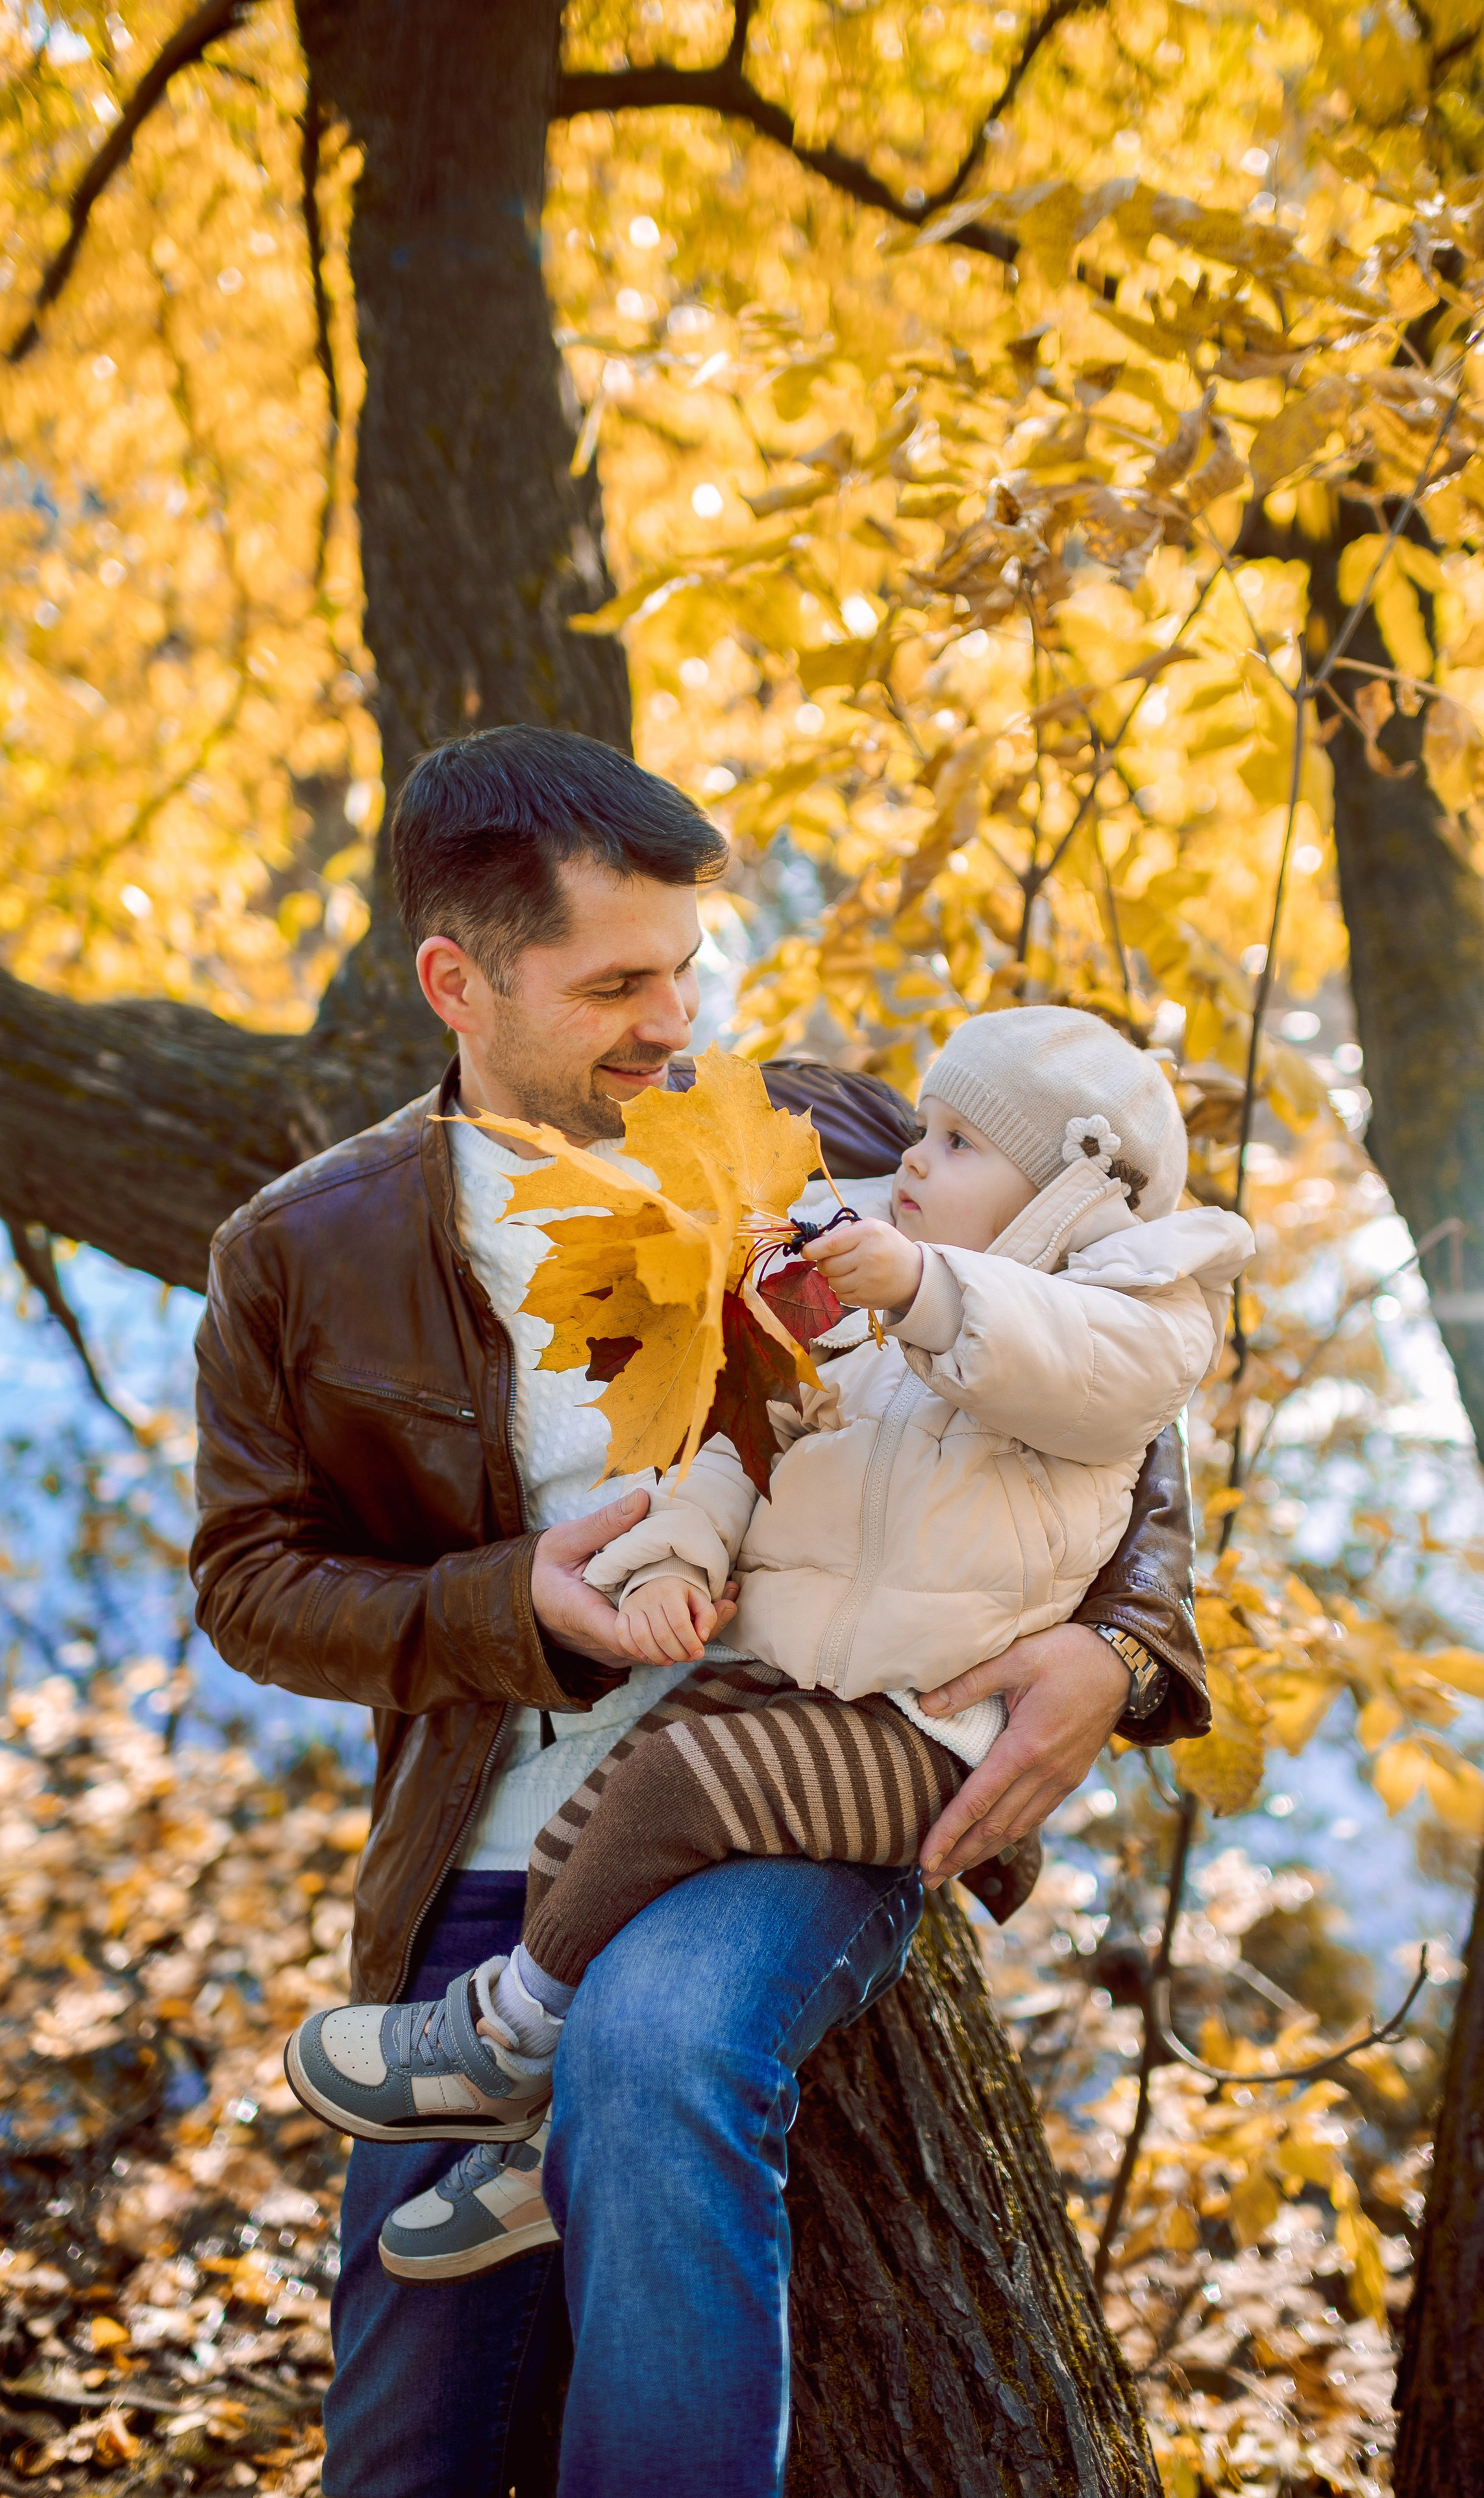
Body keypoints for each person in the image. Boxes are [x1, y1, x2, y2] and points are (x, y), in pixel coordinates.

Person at [190, 726, 1213, 2498]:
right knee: (402, 2450)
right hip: (491, 1847)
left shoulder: (813, 1134)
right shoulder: (303, 1250)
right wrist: (513, 1602)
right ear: (459, 981)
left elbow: (1093, 1367)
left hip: (805, 1786)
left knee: (658, 2057)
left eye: (684, 969)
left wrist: (1124, 1651)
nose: (673, 1024)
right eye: (613, 986)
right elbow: (250, 1585)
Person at [284, 1006, 1252, 2292]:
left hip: (931, 1729)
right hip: (813, 1683)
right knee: (592, 1815)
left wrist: (916, 1285)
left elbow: (1073, 1367)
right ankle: (551, 2150)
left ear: (1074, 1186)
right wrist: (676, 1556)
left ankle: (501, 2040)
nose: (912, 1159)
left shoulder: (1131, 1310)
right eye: (919, 1128)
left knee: (677, 1786)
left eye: (956, 1140)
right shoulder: (884, 1332)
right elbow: (761, 1445)